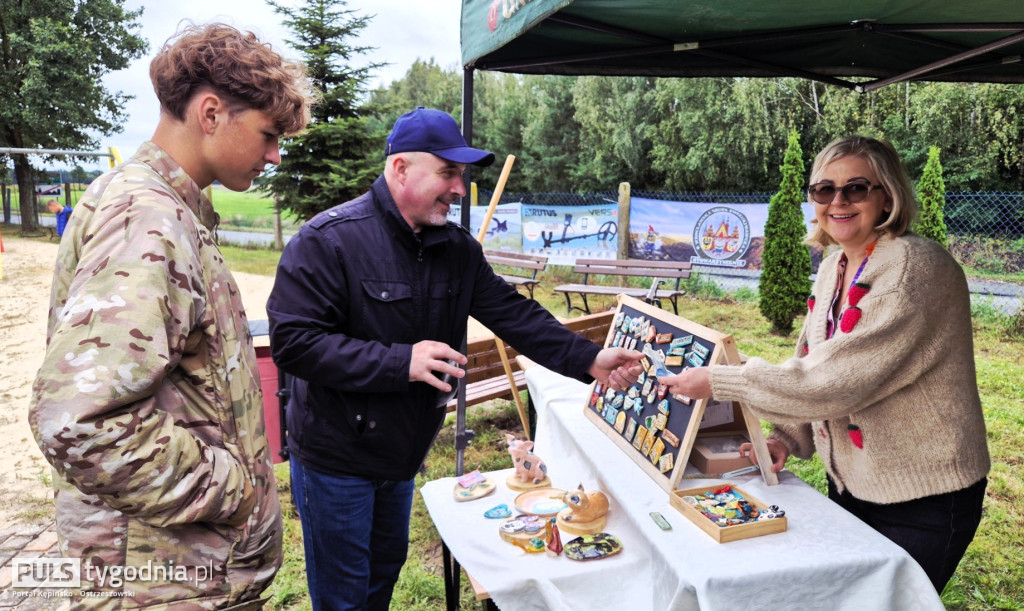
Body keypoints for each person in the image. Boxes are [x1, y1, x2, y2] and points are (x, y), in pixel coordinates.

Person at [267, 106, 642, 611]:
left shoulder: (457, 249)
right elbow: (294, 342)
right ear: (400, 169)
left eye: (462, 176)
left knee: (381, 577)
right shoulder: (328, 241)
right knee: (343, 599)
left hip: (402, 454)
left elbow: (514, 314)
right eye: (448, 173)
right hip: (336, 460)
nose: (460, 189)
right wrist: (400, 362)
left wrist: (590, 358)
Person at [29, 23, 314, 609]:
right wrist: (233, 488)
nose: (274, 155)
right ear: (211, 113)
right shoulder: (149, 219)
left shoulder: (165, 207)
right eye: (266, 134)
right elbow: (79, 421)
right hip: (163, 582)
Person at [660, 135, 990, 593]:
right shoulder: (834, 264)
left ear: (887, 195)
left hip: (923, 495)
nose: (838, 201)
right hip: (854, 480)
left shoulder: (914, 270)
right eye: (823, 190)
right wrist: (788, 437)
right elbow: (812, 357)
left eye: (856, 188)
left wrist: (720, 380)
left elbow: (835, 380)